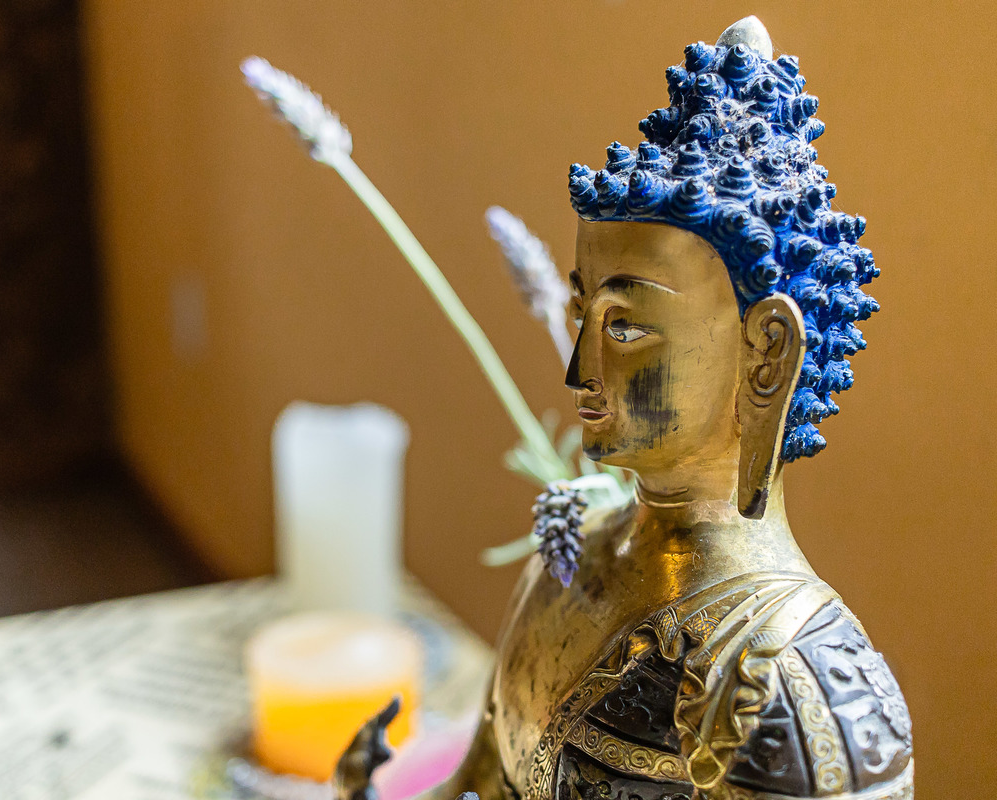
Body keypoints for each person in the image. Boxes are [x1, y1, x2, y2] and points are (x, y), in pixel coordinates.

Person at [335, 17, 912, 800]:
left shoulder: (796, 688)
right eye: (582, 315)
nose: (579, 374)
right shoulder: (566, 559)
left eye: (626, 328)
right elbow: (485, 780)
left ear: (767, 353)